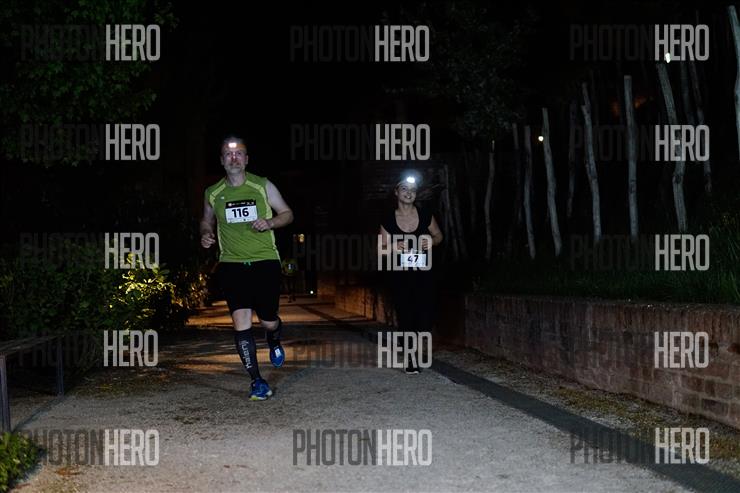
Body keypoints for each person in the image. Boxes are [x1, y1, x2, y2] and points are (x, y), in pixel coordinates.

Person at [200, 136, 294, 400]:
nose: (234, 158)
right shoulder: (213, 192)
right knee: (241, 322)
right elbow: (206, 220)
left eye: (239, 153)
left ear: (247, 159)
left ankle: (274, 337)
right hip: (232, 265)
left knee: (267, 320)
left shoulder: (262, 185)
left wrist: (270, 223)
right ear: (222, 160)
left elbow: (287, 213)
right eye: (228, 154)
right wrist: (206, 233)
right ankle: (257, 381)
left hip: (265, 261)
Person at [378, 171, 443, 374]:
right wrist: (394, 246)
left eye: (413, 190)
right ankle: (410, 357)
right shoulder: (389, 219)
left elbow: (439, 235)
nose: (409, 193)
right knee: (406, 316)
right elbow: (380, 250)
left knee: (425, 317)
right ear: (396, 192)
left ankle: (415, 341)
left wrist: (432, 241)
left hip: (424, 274)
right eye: (404, 189)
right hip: (400, 276)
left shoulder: (425, 215)